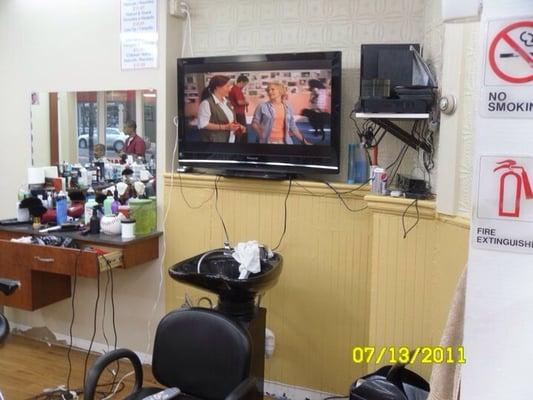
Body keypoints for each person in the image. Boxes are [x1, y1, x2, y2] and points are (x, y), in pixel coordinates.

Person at [197, 75, 244, 143]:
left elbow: (229, 120)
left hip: (230, 139)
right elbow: (203, 124)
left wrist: (238, 126)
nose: (230, 89)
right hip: (215, 144)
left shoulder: (227, 102)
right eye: (227, 86)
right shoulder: (206, 103)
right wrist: (225, 127)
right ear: (217, 87)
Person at [228, 74, 249, 143]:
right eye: (245, 84)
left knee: (238, 130)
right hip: (239, 113)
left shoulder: (234, 88)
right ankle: (244, 146)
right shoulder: (237, 90)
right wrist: (246, 102)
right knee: (242, 130)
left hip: (235, 112)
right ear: (241, 82)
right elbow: (239, 102)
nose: (244, 86)